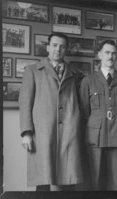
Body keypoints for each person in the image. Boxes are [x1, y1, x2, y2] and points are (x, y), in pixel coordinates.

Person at [19, 33, 84, 191]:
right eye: (54, 45)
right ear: (48, 47)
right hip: (43, 132)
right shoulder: (32, 71)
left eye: (62, 46)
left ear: (66, 49)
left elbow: (81, 103)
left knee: (68, 178)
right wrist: (26, 133)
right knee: (44, 179)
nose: (58, 49)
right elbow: (25, 103)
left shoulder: (75, 74)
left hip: (69, 132)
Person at [79, 40, 117, 190]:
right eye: (107, 52)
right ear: (99, 55)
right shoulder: (88, 81)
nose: (110, 56)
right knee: (95, 178)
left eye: (113, 53)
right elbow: (84, 111)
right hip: (96, 136)